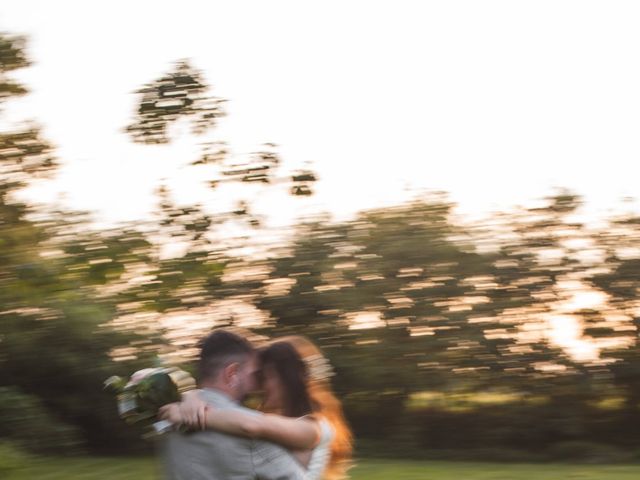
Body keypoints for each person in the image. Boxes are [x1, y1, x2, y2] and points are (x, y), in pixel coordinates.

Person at [161, 335, 353, 480]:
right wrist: (191, 396)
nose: (258, 387)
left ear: (288, 379)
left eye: (264, 377)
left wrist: (186, 412)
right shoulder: (269, 423)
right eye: (257, 377)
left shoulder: (314, 427)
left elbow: (251, 425)